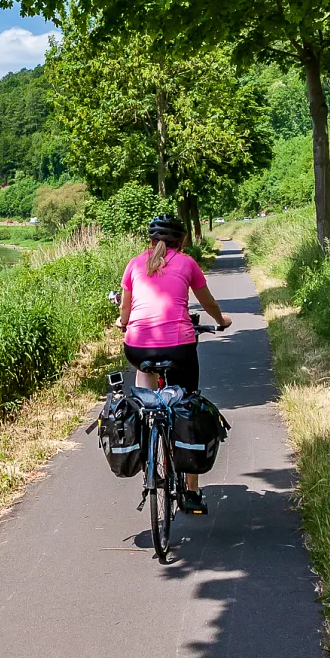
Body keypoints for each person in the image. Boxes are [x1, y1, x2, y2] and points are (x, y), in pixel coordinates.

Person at [116, 214, 230, 515]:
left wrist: (122, 322)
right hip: (179, 348)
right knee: (186, 405)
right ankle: (191, 493)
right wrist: (222, 321)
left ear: (150, 241)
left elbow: (125, 311)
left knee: (145, 402)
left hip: (138, 348)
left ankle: (148, 453)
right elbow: (209, 304)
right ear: (181, 241)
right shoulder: (187, 263)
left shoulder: (134, 264)